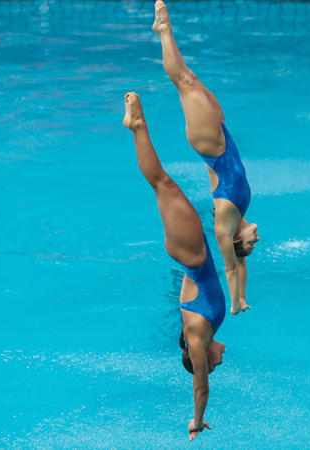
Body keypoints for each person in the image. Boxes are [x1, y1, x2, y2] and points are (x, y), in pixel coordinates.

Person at [123, 91, 226, 441]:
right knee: (162, 185)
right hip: (192, 253)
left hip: (191, 252)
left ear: (205, 361)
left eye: (215, 365)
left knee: (161, 183)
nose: (221, 361)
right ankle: (137, 126)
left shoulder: (197, 338)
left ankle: (137, 126)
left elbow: (200, 389)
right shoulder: (200, 329)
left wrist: (197, 420)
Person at [153, 0, 259, 315]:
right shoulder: (238, 213)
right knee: (193, 78)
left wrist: (235, 303)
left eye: (251, 243)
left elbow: (230, 266)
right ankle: (165, 33)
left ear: (237, 237)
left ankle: (163, 31)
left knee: (184, 83)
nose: (257, 240)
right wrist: (243, 294)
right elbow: (240, 265)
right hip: (222, 136)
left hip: (210, 144)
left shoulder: (226, 223)